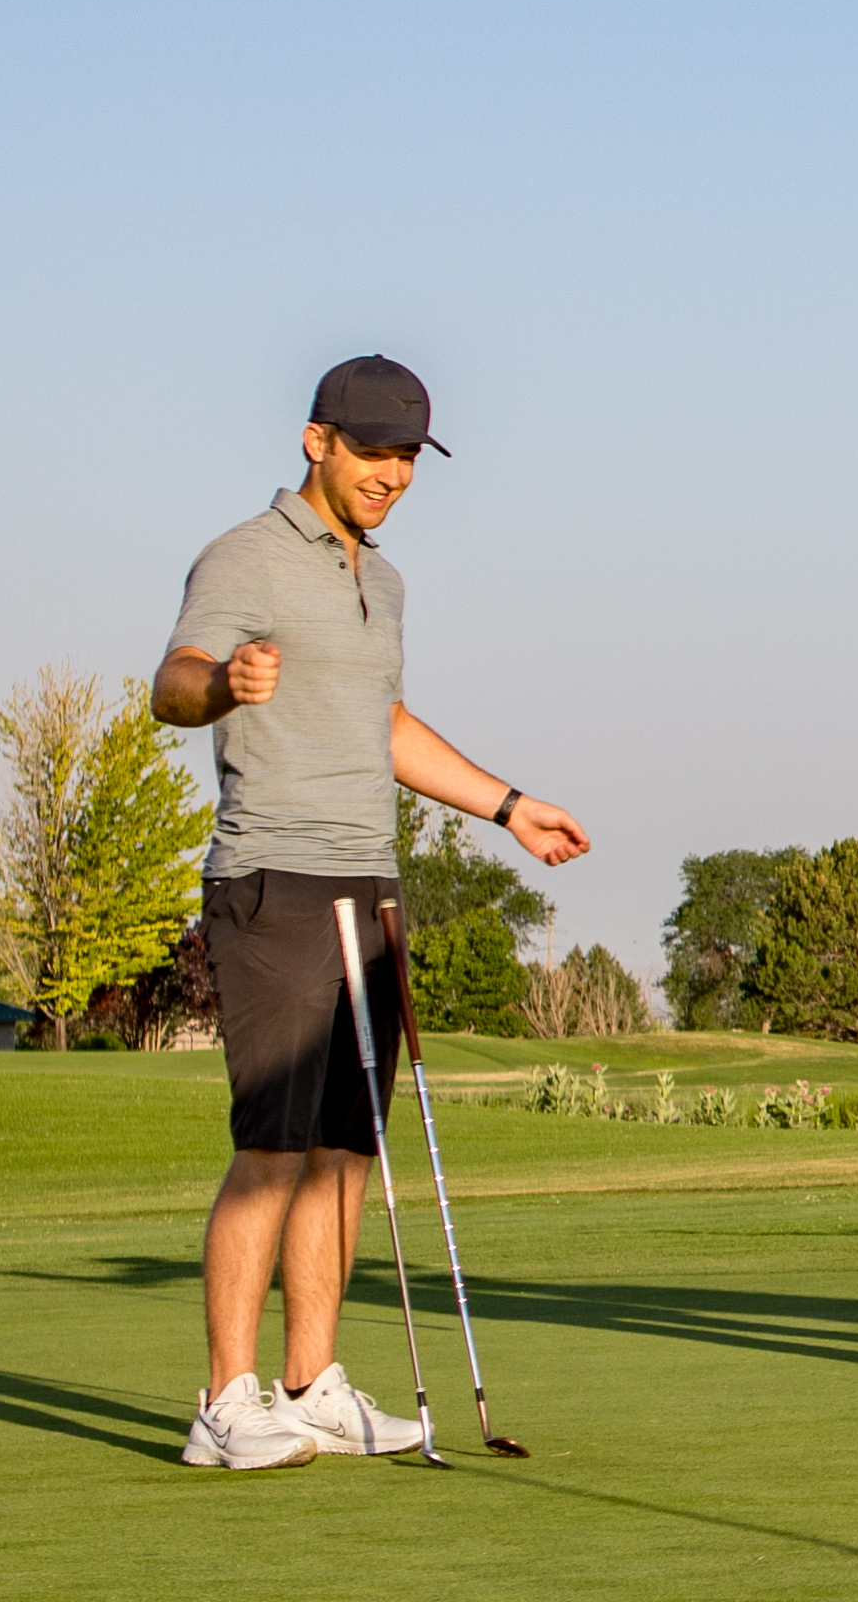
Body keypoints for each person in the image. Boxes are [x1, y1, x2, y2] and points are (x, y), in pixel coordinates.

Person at [154, 356, 593, 1473]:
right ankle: (222, 1402)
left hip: (369, 881)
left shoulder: (383, 583)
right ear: (317, 442)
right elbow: (172, 681)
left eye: (407, 456)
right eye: (373, 451)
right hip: (272, 881)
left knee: (348, 1151)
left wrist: (506, 805)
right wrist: (225, 686)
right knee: (272, 1147)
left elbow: (380, 723)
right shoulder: (243, 556)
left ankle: (310, 1383)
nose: (392, 473)